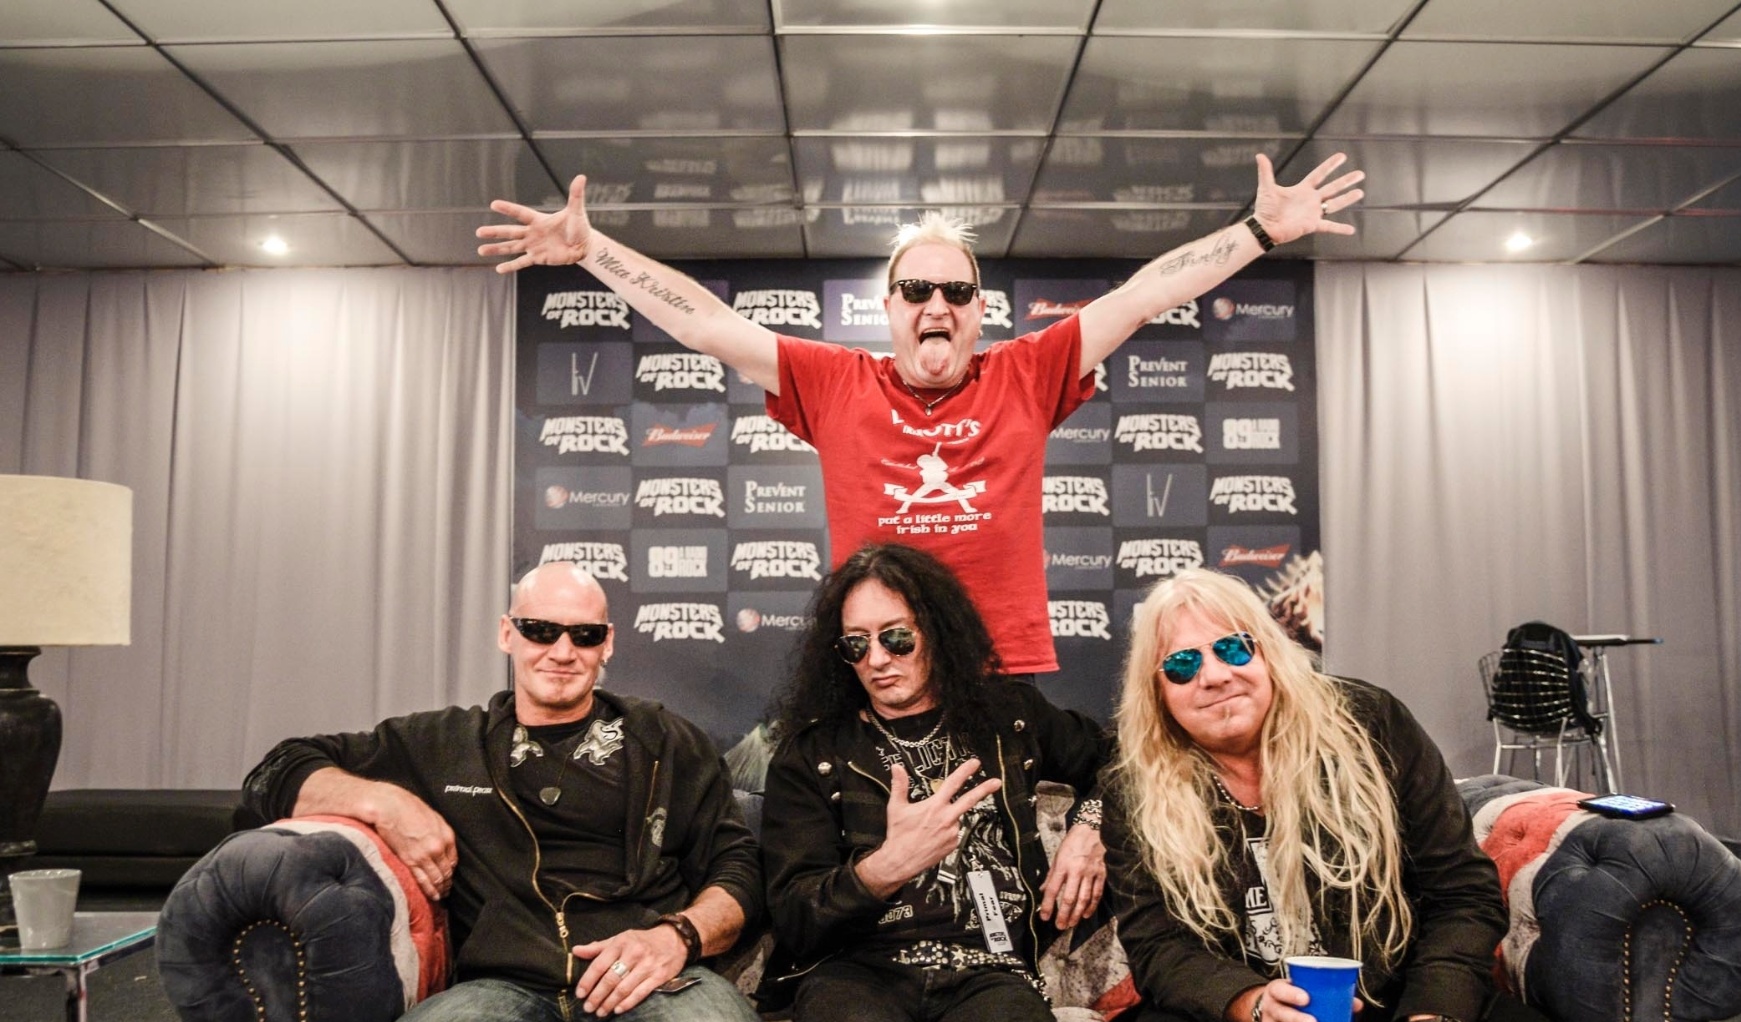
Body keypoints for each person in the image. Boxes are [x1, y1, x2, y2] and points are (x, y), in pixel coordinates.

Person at [476, 156, 1364, 674]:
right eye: (916, 288)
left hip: (994, 671)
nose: (936, 302)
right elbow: (705, 321)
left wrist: (1257, 233)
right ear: (890, 306)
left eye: (957, 289)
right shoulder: (835, 380)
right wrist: (592, 249)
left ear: (982, 310)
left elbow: (1142, 297)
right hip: (874, 667)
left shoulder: (1028, 371)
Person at [238, 562, 788, 1022]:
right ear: (508, 632)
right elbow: (276, 772)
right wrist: (387, 804)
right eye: (540, 629)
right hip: (507, 990)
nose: (561, 649)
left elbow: (739, 870)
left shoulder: (664, 740)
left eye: (583, 634)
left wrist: (674, 936)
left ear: (607, 645)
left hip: (651, 979)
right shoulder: (442, 744)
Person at [1102, 569, 1575, 1022]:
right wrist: (1244, 1002)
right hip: (1247, 1007)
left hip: (1382, 987)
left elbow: (1461, 891)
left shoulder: (1370, 725)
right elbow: (1157, 945)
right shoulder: (1135, 785)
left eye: (1232, 649)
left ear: (1267, 652)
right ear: (1159, 695)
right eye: (1181, 664)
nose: (1214, 676)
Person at [757, 542, 1110, 1022]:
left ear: (936, 629)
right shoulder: (812, 754)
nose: (878, 658)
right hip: (855, 976)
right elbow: (793, 914)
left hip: (987, 973)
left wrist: (1089, 826)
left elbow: (1121, 758)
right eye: (856, 644)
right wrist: (886, 867)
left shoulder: (1009, 717)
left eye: (896, 636)